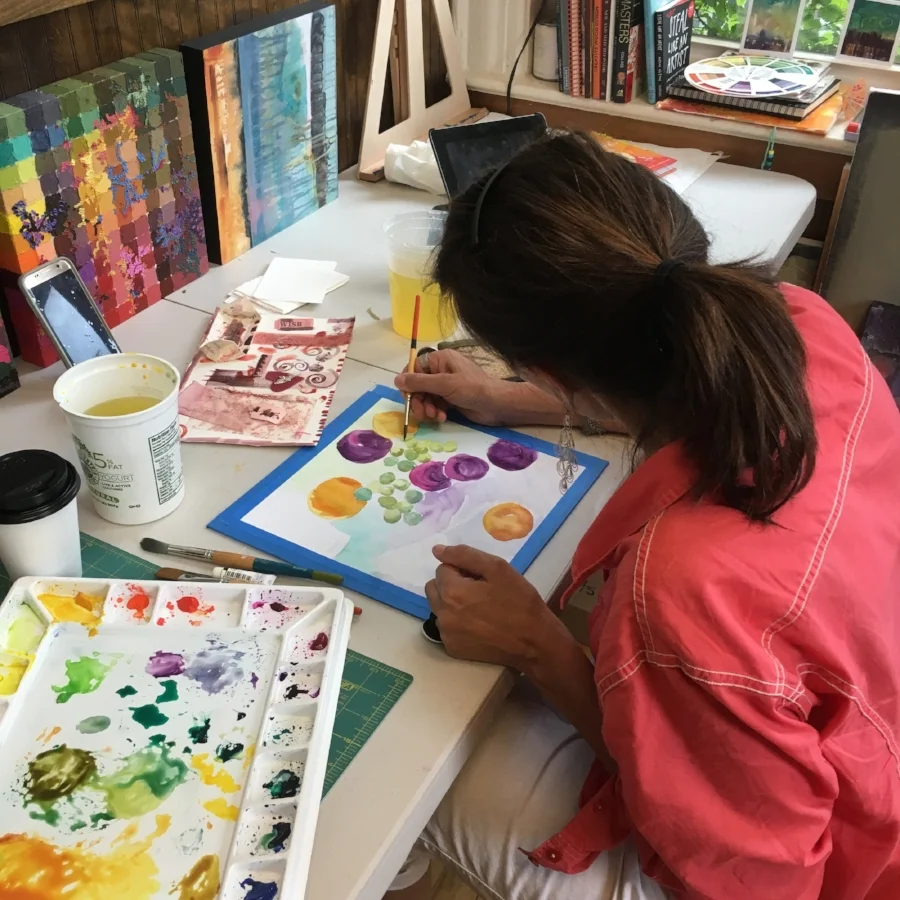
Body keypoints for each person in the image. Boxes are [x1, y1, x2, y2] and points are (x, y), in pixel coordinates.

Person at [388, 131, 900, 900]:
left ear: (550, 368)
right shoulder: (795, 320)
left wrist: (540, 649)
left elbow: (753, 883)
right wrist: (503, 399)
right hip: (868, 713)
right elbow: (673, 386)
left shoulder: (684, 588)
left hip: (844, 865)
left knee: (414, 769)